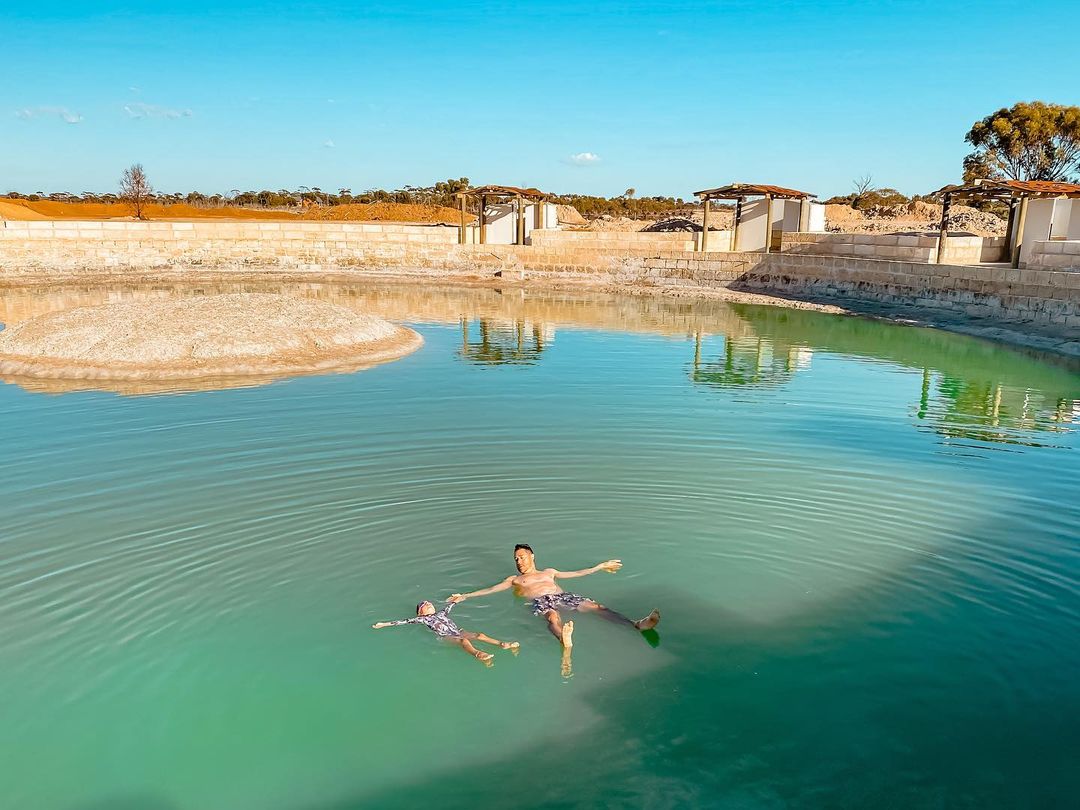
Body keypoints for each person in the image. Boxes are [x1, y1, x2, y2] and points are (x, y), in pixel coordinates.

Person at [448, 544, 659, 675]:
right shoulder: (514, 580)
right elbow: (491, 589)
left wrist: (599, 567)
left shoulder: (549, 572)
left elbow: (577, 573)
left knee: (597, 607)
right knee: (552, 617)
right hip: (541, 601)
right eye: (516, 559)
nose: (519, 561)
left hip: (562, 596)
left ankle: (635, 624)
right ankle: (563, 639)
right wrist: (465, 595)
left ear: (532, 556)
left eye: (522, 557)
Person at [372, 600, 519, 666]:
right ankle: (478, 654)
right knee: (463, 641)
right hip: (445, 637)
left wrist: (458, 599)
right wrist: (383, 624)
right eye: (424, 605)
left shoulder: (442, 613)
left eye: (429, 603)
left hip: (458, 631)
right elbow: (403, 621)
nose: (428, 604)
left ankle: (503, 644)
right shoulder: (423, 620)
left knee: (479, 635)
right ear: (420, 613)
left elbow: (450, 607)